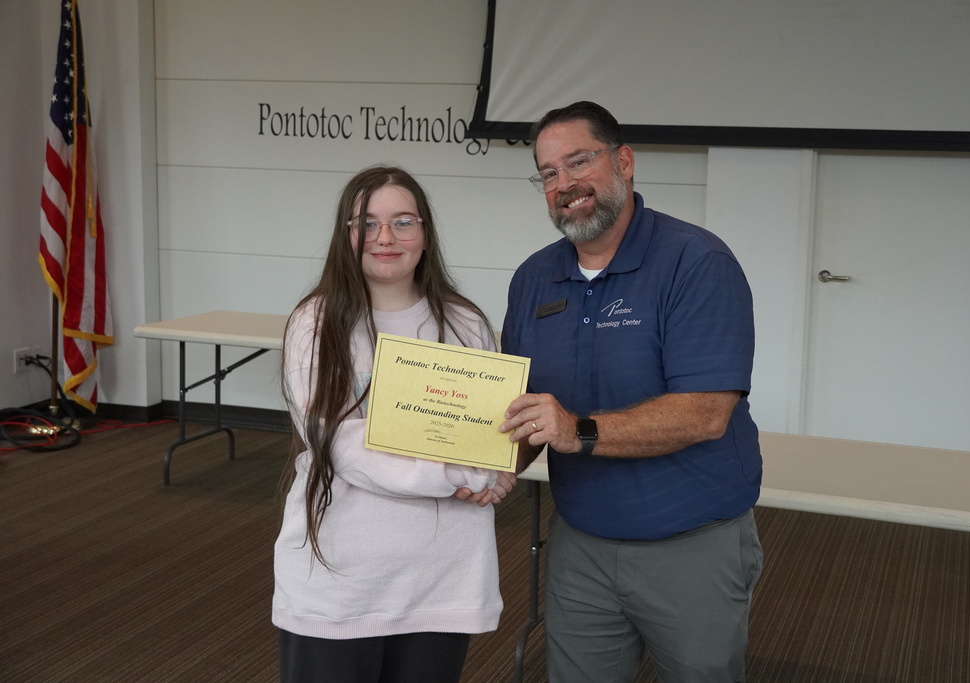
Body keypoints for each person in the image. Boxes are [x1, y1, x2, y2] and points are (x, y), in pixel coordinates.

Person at [500, 102, 764, 682]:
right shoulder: (534, 278)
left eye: (579, 161)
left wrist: (578, 430)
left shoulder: (696, 262)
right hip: (580, 543)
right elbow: (521, 407)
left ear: (623, 161)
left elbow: (705, 414)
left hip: (690, 543)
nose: (565, 184)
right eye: (548, 173)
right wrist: (490, 466)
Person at [273, 165, 515, 683]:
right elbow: (343, 445)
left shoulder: (465, 323)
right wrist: (462, 471)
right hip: (340, 581)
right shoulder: (315, 324)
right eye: (367, 223)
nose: (385, 237)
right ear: (347, 235)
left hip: (443, 578)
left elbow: (487, 430)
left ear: (425, 235)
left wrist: (494, 465)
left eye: (403, 222)